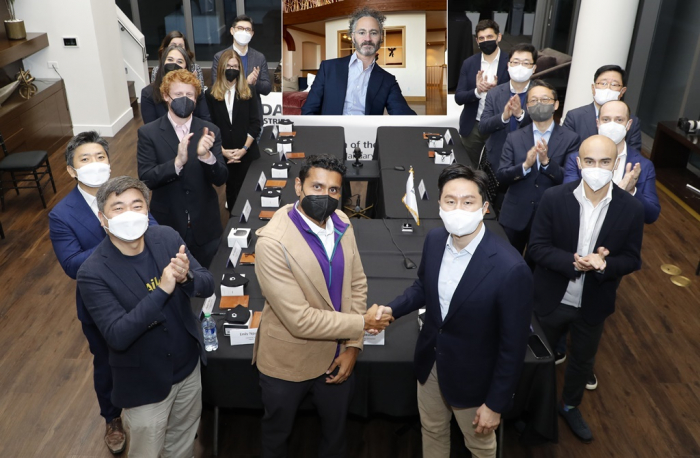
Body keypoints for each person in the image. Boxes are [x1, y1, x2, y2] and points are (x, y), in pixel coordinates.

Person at [378, 164, 533, 458]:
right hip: (431, 365)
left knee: (480, 447)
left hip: (474, 382)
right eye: (450, 201)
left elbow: (513, 348)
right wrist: (391, 310)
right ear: (439, 205)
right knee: (432, 431)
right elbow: (423, 287)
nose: (457, 209)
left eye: (468, 201)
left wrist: (495, 404)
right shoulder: (435, 240)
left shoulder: (511, 269)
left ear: (485, 207)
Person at [253, 154, 393, 457]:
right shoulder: (272, 243)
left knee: (336, 434)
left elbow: (357, 284)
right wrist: (362, 324)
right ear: (298, 187)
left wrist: (353, 346)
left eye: (333, 190)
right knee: (277, 436)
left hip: (337, 357)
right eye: (317, 186)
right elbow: (299, 320)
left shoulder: (342, 221)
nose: (325, 196)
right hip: (287, 363)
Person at [77, 176, 214, 458]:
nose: (129, 213)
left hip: (188, 370)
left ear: (147, 210)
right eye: (118, 208)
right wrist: (163, 290)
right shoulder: (92, 273)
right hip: (144, 387)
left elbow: (207, 282)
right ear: (103, 218)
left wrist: (187, 277)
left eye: (136, 205)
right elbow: (117, 334)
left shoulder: (166, 237)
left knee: (182, 445)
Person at [528, 135, 644, 443]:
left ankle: (569, 406)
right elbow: (536, 248)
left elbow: (632, 259)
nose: (596, 168)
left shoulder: (631, 208)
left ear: (615, 164)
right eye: (589, 161)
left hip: (593, 304)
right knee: (537, 359)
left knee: (581, 362)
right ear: (578, 163)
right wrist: (572, 262)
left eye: (604, 162)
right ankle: (529, 409)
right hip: (551, 300)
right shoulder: (553, 198)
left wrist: (605, 265)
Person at [49, 132, 155, 454]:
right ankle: (112, 418)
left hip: (143, 290)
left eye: (100, 157)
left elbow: (154, 230)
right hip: (99, 302)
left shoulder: (128, 194)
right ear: (71, 170)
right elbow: (71, 264)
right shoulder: (61, 214)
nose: (94, 164)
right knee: (107, 363)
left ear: (109, 163)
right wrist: (119, 238)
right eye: (85, 159)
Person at [137, 69, 228, 268]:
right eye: (178, 95)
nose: (184, 99)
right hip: (168, 225)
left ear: (196, 99)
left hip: (206, 226)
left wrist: (207, 156)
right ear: (166, 96)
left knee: (210, 279)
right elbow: (146, 178)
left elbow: (221, 178)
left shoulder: (210, 130)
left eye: (189, 95)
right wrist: (177, 163)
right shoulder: (148, 133)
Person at [497, 80, 580, 256]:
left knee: (539, 268)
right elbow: (502, 176)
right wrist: (525, 166)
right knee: (508, 263)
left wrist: (546, 163)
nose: (539, 104)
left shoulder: (571, 139)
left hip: (549, 216)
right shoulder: (514, 137)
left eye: (545, 99)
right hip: (515, 215)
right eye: (533, 101)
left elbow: (571, 179)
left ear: (556, 104)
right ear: (527, 106)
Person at [301, 7, 416, 116]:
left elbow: (404, 115)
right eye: (361, 32)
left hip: (366, 136)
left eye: (374, 33)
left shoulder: (388, 80)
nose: (367, 39)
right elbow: (309, 110)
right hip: (331, 134)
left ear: (381, 37)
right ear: (353, 36)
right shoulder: (328, 68)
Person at [564, 100, 660, 224]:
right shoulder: (576, 158)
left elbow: (651, 215)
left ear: (629, 124)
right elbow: (567, 201)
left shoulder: (644, 165)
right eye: (606, 119)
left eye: (619, 120)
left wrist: (631, 191)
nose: (612, 125)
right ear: (598, 123)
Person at [205, 49, 261, 211]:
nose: (232, 69)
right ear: (221, 68)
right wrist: (222, 151)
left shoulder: (249, 91)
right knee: (231, 193)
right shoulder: (210, 95)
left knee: (249, 195)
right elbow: (210, 125)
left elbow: (255, 123)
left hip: (246, 153)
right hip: (225, 153)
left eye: (235, 67)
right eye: (229, 66)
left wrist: (243, 149)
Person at [455, 19, 510, 167]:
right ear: (477, 41)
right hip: (473, 126)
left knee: (494, 168)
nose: (486, 41)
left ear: (499, 37)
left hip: (499, 126)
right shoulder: (469, 63)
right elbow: (459, 97)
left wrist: (499, 90)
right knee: (467, 167)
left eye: (490, 37)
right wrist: (477, 91)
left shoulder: (510, 62)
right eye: (482, 38)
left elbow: (518, 95)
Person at [479, 43, 536, 171]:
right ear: (508, 65)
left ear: (534, 68)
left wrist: (521, 115)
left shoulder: (541, 93)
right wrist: (503, 117)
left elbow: (544, 125)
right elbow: (482, 127)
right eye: (515, 62)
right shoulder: (495, 93)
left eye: (526, 63)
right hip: (496, 157)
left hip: (528, 158)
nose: (520, 67)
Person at [212, 15, 271, 132]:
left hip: (253, 119)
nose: (244, 32)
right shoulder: (220, 57)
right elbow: (216, 86)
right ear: (232, 31)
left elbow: (267, 88)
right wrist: (245, 83)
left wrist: (255, 83)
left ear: (252, 34)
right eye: (240, 28)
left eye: (247, 29)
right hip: (228, 120)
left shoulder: (259, 57)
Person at [562, 64, 642, 151]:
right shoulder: (575, 117)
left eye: (614, 84)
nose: (608, 88)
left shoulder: (633, 121)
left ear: (622, 91)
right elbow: (565, 150)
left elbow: (634, 154)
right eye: (603, 83)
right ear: (593, 88)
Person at [141, 44, 211, 125]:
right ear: (163, 63)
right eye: (170, 60)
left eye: (180, 61)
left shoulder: (194, 89)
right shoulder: (148, 93)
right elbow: (150, 128)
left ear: (185, 67)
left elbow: (206, 120)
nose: (174, 64)